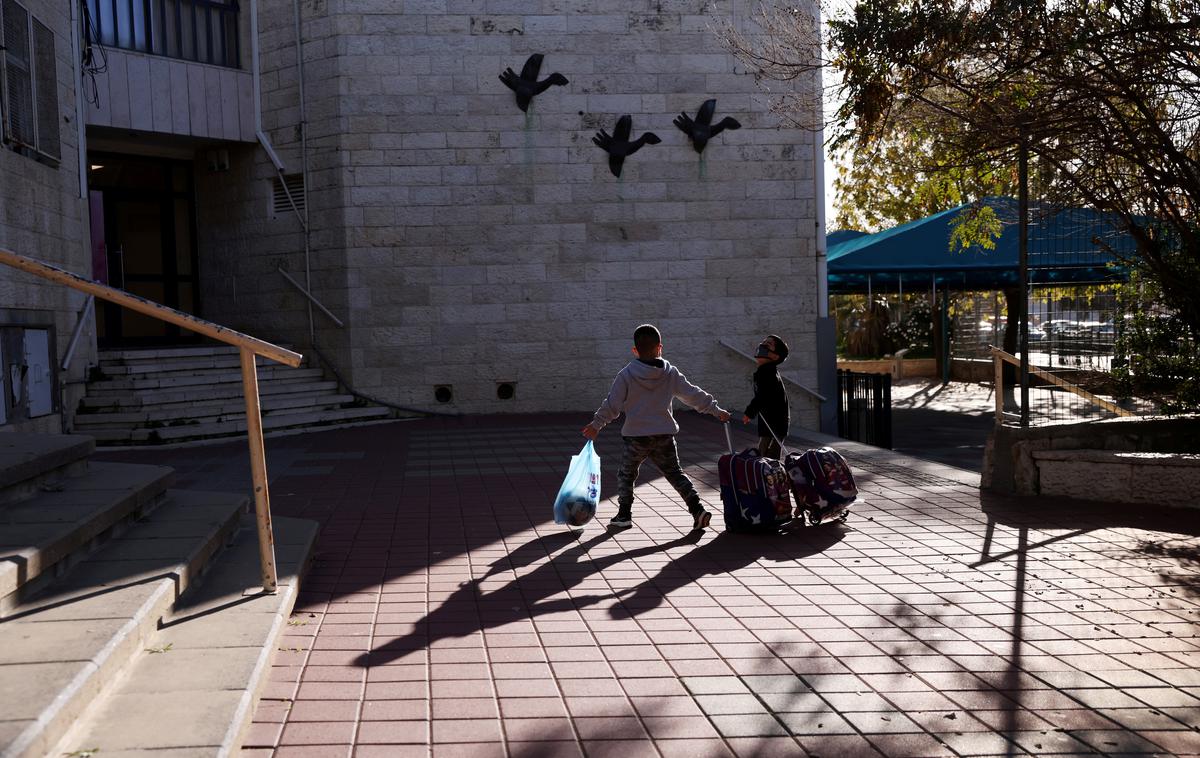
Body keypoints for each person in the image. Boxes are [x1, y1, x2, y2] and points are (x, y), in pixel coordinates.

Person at [582, 324, 731, 532]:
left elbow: (612, 404)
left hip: (636, 437)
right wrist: (716, 410)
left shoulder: (626, 374)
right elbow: (692, 394)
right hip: (664, 435)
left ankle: (624, 515)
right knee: (675, 473)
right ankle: (697, 510)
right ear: (660, 347)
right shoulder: (670, 373)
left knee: (626, 474)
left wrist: (597, 424)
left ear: (635, 350)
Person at [741, 334, 790, 459]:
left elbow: (762, 396)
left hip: (775, 422)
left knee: (769, 455)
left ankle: (773, 476)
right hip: (770, 421)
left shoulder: (767, 373)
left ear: (775, 356)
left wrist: (749, 412)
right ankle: (770, 475)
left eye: (768, 344)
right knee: (765, 451)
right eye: (763, 342)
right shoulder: (766, 370)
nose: (762, 345)